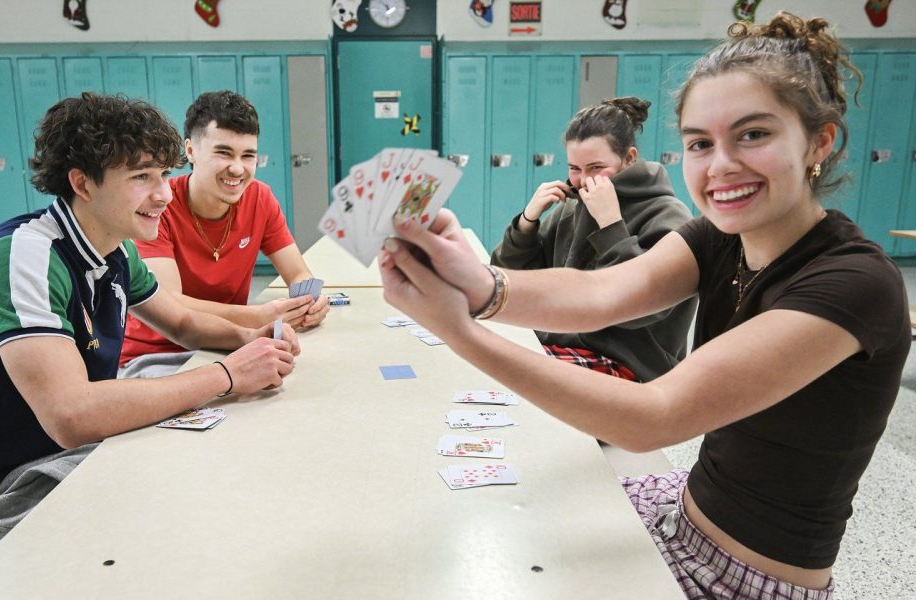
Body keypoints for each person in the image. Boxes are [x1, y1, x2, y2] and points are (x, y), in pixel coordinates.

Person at [379, 12, 909, 599]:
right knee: (492, 533)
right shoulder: (720, 236)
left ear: (819, 141)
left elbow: (656, 416)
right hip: (683, 510)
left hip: (749, 579)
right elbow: (602, 293)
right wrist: (479, 282)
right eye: (700, 144)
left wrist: (464, 332)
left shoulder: (854, 282)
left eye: (753, 134)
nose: (721, 165)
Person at [0, 93, 300, 556]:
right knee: (199, 514)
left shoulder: (114, 251)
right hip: (6, 486)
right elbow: (72, 415)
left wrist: (249, 338)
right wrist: (226, 374)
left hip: (74, 448)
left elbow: (180, 321)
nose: (163, 193)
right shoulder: (24, 256)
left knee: (225, 459)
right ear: (82, 183)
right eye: (141, 177)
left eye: (163, 175)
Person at [119, 90, 328, 378]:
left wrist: (310, 301)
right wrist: (257, 316)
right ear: (190, 151)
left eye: (248, 156)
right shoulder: (158, 207)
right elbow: (171, 303)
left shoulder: (259, 198)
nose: (237, 168)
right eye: (224, 153)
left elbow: (298, 273)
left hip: (226, 345)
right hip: (158, 356)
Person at [491, 97, 694, 382]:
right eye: (575, 168)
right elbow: (512, 282)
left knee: (516, 376)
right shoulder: (571, 208)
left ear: (630, 158)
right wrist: (526, 224)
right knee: (482, 359)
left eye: (596, 168)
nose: (583, 180)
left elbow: (639, 307)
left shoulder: (668, 215)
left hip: (629, 366)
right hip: (559, 347)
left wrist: (611, 224)